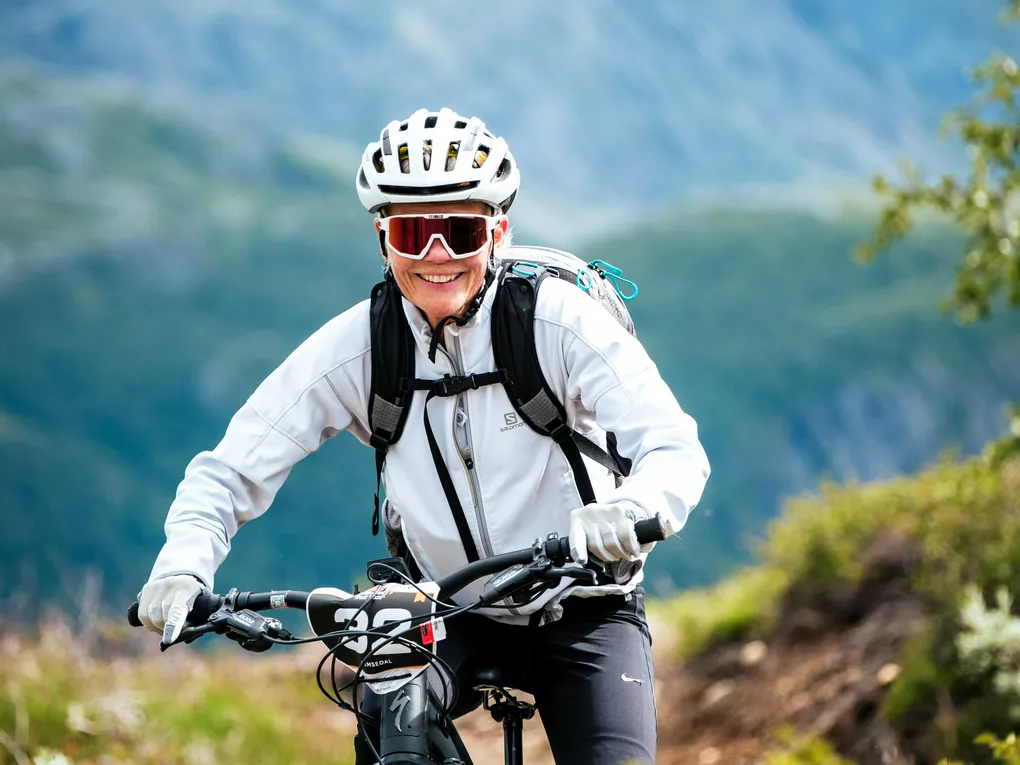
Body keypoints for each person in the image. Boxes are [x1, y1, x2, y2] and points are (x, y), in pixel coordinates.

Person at [137, 107, 711, 764]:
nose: (437, 256)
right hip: (441, 608)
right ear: (384, 240)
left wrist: (634, 509)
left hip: (583, 604)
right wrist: (183, 562)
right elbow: (230, 469)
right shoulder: (363, 345)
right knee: (390, 726)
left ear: (497, 233)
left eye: (461, 231)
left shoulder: (558, 324)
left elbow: (673, 446)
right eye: (413, 233)